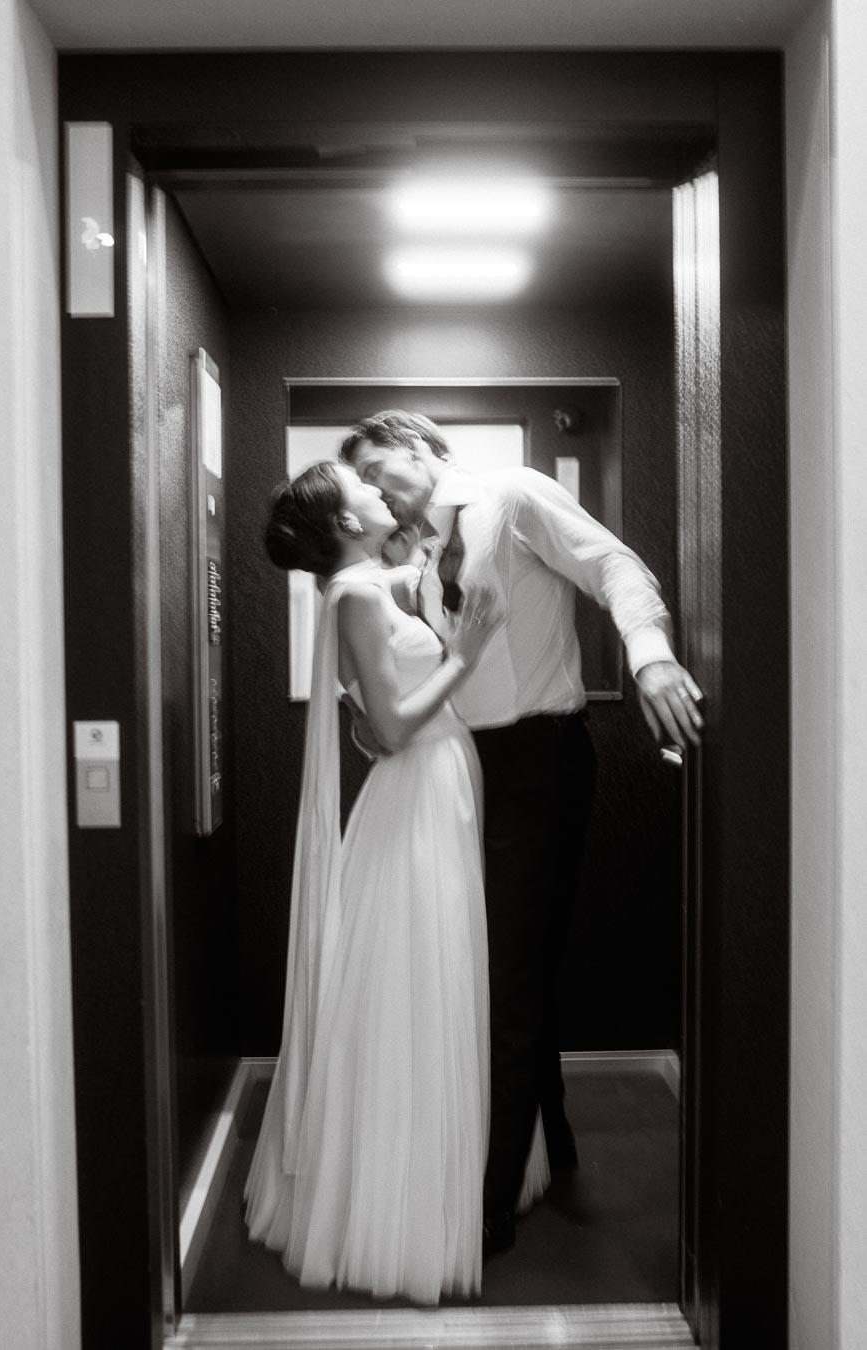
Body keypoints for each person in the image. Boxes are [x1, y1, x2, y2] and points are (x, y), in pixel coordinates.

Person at [339, 410, 703, 1260]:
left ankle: (492, 1201)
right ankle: (557, 1144)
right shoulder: (417, 558)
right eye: (364, 476)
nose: (380, 482)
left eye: (384, 460)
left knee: (507, 972)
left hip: (541, 762)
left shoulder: (511, 493)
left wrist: (649, 655)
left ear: (426, 446)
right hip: (467, 771)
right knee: (502, 962)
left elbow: (614, 563)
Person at [243, 460, 542, 1304]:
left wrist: (423, 586)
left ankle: (442, 1175)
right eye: (362, 487)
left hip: (440, 788)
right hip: (418, 791)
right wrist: (470, 651)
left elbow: (380, 706)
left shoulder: (377, 584)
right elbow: (395, 727)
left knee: (430, 981)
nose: (380, 490)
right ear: (344, 522)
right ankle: (405, 1204)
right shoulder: (355, 596)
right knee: (416, 985)